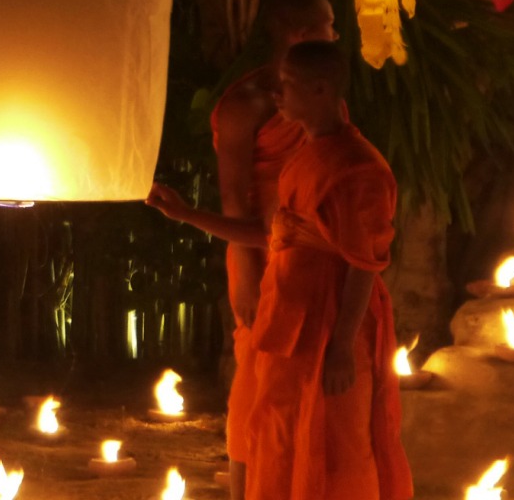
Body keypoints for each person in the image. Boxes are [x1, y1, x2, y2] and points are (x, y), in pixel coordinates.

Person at [149, 41, 412, 500]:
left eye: (287, 86)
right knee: (284, 442)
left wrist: (342, 348)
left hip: (330, 327)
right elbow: (271, 234)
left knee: (339, 450)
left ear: (320, 90)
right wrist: (187, 214)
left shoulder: (357, 167)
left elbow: (362, 265)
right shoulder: (306, 156)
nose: (277, 95)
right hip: (290, 324)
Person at [209, 0, 337, 500]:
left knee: (308, 382)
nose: (337, 33)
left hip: (315, 252)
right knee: (257, 385)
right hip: (263, 253)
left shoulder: (320, 97)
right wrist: (244, 270)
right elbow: (232, 199)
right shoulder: (247, 103)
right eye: (330, 23)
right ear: (302, 34)